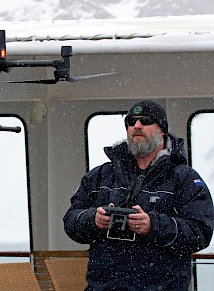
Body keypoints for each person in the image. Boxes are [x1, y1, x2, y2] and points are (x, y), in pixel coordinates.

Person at [63, 99, 214, 290]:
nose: (137, 126)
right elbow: (70, 220)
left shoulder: (184, 178)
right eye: (131, 121)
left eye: (146, 120)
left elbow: (200, 233)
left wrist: (153, 225)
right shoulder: (100, 176)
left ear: (162, 130)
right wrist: (94, 219)